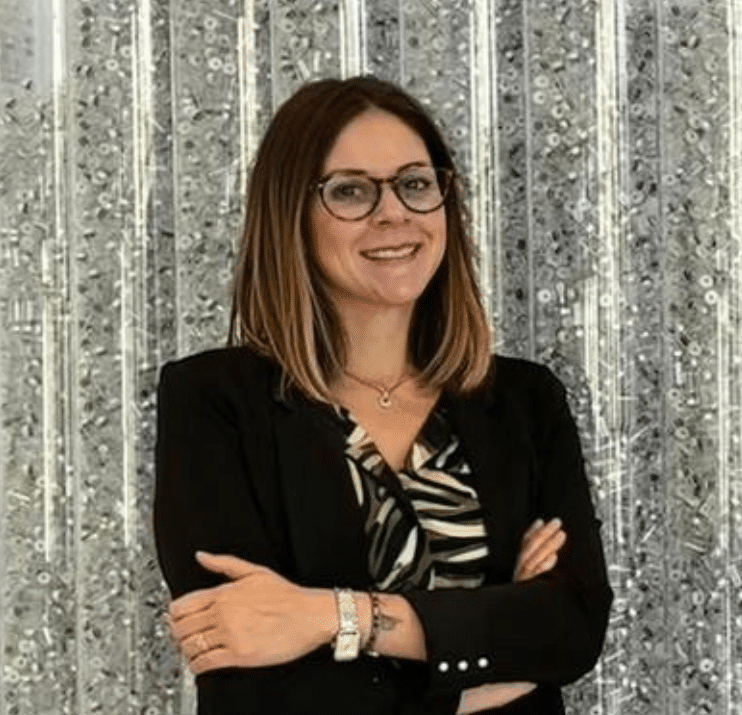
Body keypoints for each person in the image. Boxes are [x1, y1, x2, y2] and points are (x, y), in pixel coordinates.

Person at [154, 75, 613, 715]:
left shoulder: (523, 400)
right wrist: (486, 662)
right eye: (350, 191)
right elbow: (247, 679)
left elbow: (571, 628)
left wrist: (333, 617)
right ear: (291, 216)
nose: (393, 212)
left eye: (415, 184)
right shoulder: (214, 403)